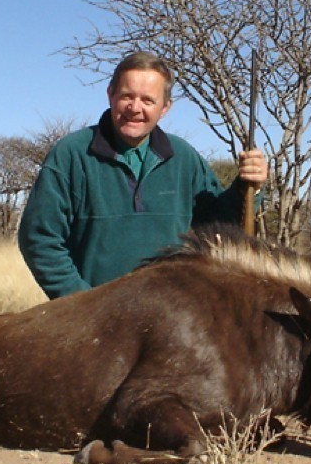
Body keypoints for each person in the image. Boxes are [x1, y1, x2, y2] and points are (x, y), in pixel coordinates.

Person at [18, 51, 268, 299]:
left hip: (169, 319)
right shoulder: (71, 154)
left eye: (147, 100)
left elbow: (220, 225)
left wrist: (249, 187)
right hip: (92, 321)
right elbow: (39, 239)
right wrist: (82, 303)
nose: (135, 108)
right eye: (127, 96)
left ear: (165, 107)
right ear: (110, 95)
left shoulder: (183, 157)